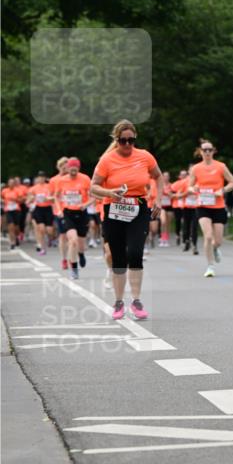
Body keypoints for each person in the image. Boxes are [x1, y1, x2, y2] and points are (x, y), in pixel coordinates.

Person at [90, 119, 163, 320]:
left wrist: (158, 199)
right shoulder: (107, 160)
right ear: (117, 140)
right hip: (113, 208)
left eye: (132, 140)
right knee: (118, 257)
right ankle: (119, 302)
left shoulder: (145, 156)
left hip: (138, 207)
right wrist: (109, 192)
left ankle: (137, 300)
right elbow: (93, 187)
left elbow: (158, 177)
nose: (128, 145)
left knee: (136, 252)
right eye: (123, 141)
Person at [190, 140, 233, 278]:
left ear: (213, 151)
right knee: (208, 235)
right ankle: (210, 266)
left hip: (218, 206)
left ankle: (215, 248)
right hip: (202, 206)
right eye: (204, 150)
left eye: (209, 150)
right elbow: (190, 186)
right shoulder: (196, 168)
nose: (207, 152)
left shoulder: (221, 166)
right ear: (200, 152)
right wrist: (194, 189)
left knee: (217, 241)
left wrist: (222, 191)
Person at [52, 159, 92, 279]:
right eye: (71, 169)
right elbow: (56, 196)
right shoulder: (61, 181)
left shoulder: (85, 179)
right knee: (72, 240)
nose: (73, 172)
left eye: (75, 169)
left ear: (78, 169)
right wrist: (59, 210)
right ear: (67, 168)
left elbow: (94, 196)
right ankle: (74, 268)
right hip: (67, 213)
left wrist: (86, 204)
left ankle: (81, 253)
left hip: (81, 212)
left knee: (80, 243)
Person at [49, 157, 70, 269]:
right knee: (63, 236)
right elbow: (49, 195)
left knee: (71, 236)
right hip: (59, 211)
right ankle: (64, 259)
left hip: (72, 209)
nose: (65, 169)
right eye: (63, 167)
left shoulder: (72, 178)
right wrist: (56, 198)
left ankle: (72, 257)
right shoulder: (54, 180)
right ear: (59, 167)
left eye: (67, 166)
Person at [27, 171, 53, 255]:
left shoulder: (50, 186)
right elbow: (28, 200)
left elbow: (55, 197)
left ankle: (49, 238)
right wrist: (31, 199)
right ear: (37, 178)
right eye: (39, 177)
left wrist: (48, 199)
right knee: (41, 229)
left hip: (48, 208)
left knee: (49, 230)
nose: (41, 179)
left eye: (43, 177)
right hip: (38, 209)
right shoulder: (33, 188)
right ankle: (43, 248)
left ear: (45, 178)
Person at [1, 178, 22, 249]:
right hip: (8, 210)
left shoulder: (18, 191)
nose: (11, 184)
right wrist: (4, 201)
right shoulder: (4, 191)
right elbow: (1, 198)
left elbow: (22, 200)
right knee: (11, 226)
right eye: (10, 183)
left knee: (16, 227)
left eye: (13, 183)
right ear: (8, 183)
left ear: (14, 184)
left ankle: (16, 237)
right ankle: (12, 242)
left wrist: (15, 199)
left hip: (16, 210)